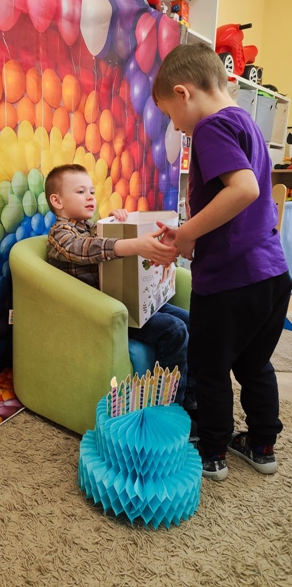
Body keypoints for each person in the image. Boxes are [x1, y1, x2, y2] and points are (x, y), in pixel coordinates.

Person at [152, 42, 292, 481]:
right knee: (254, 364)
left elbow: (245, 190)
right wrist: (194, 233)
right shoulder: (245, 121)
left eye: (171, 116)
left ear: (183, 93)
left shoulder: (210, 128)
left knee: (210, 367)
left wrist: (187, 233)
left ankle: (212, 452)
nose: (177, 127)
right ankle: (262, 445)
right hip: (272, 275)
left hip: (230, 281)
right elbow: (242, 204)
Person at [44, 163, 196, 415]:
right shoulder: (59, 234)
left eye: (91, 191)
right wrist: (132, 244)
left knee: (191, 321)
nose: (90, 196)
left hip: (125, 300)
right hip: (102, 311)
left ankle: (192, 394)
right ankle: (173, 406)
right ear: (57, 200)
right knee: (174, 329)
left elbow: (103, 239)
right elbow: (85, 249)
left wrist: (116, 221)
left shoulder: (93, 226)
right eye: (81, 191)